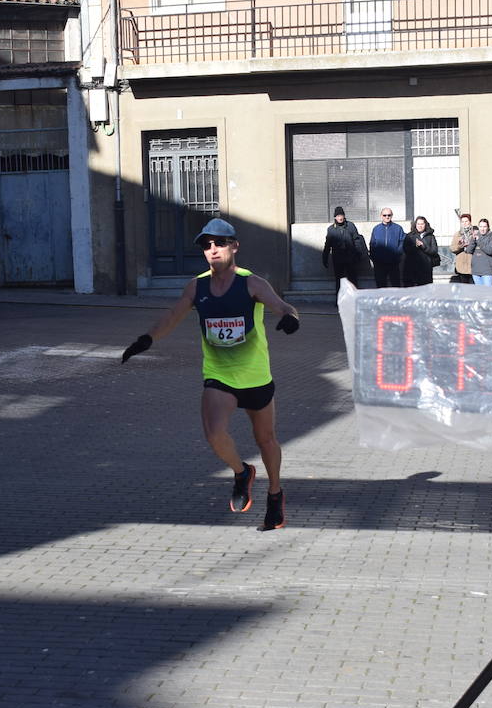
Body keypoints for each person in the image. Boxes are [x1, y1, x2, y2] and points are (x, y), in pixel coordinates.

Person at [120, 218, 300, 531]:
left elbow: (286, 307)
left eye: (219, 243)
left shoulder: (251, 282)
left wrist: (290, 320)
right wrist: (146, 339)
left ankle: (275, 495)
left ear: (234, 246)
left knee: (266, 440)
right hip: (219, 375)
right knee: (214, 433)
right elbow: (172, 316)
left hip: (256, 376)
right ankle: (241, 472)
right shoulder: (197, 286)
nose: (212, 249)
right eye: (206, 245)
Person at [322, 206, 365, 289]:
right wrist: (325, 257)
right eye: (338, 216)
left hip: (350, 258)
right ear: (335, 217)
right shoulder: (331, 229)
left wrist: (359, 254)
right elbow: (328, 245)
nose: (340, 218)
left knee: (353, 281)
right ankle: (340, 300)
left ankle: (353, 299)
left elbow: (356, 240)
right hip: (338, 259)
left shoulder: (350, 226)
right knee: (339, 281)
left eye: (341, 215)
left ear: (344, 216)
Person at [369, 208, 405, 288]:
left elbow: (402, 242)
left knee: (396, 285)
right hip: (379, 263)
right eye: (384, 215)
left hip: (393, 263)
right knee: (380, 286)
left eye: (389, 215)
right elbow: (372, 244)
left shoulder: (398, 228)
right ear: (381, 216)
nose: (387, 217)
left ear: (392, 216)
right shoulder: (376, 229)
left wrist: (397, 255)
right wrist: (374, 257)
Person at [401, 216, 439, 287]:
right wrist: (415, 246)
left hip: (426, 269)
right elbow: (405, 249)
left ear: (425, 225)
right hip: (412, 268)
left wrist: (423, 247)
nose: (420, 226)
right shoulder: (409, 236)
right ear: (415, 225)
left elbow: (434, 251)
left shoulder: (430, 236)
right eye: (418, 224)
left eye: (422, 224)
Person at [468, 218, 492, 286]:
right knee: (479, 294)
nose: (482, 229)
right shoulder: (476, 237)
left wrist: (478, 241)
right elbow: (469, 251)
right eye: (481, 226)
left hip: (488, 271)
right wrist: (473, 240)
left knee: (487, 293)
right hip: (476, 271)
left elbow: (490, 251)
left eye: (484, 226)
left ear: (488, 227)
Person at [449, 213, 476, 284]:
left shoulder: (475, 233)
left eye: (466, 221)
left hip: (473, 265)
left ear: (470, 221)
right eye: (463, 222)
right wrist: (460, 245)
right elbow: (452, 248)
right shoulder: (457, 234)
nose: (464, 223)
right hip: (461, 266)